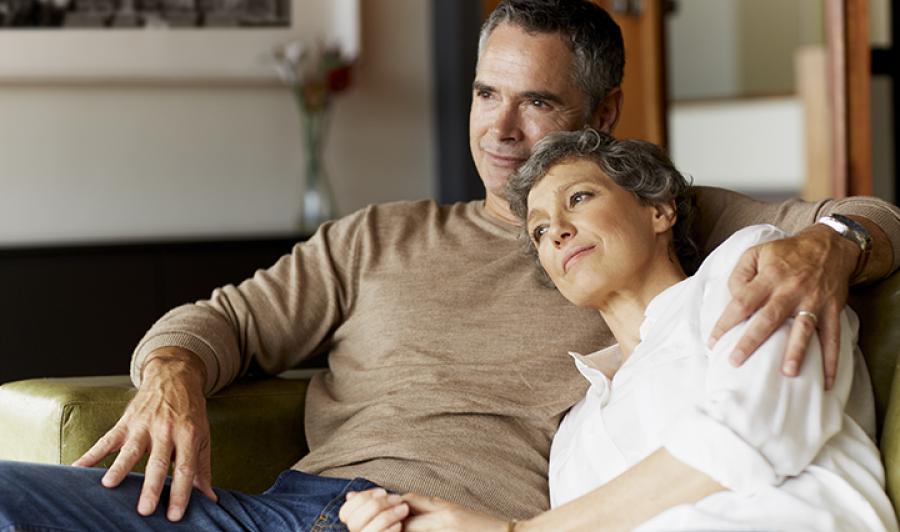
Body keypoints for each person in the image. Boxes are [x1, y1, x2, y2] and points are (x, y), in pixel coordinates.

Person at [1, 0, 899, 530]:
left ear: (605, 112)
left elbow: (862, 216)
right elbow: (224, 319)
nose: (500, 131)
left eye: (537, 102)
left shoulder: (654, 219)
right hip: (287, 512)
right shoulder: (377, 236)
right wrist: (171, 376)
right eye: (484, 94)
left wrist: (833, 245)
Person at [338, 130, 899, 532]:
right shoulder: (576, 431)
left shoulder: (745, 268)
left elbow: (755, 433)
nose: (555, 231)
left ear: (658, 210)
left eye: (578, 199)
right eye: (537, 231)